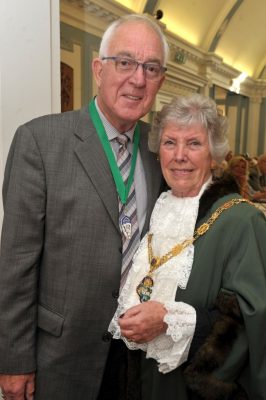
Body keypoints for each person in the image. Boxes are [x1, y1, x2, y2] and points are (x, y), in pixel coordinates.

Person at [0, 14, 168, 400]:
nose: (137, 79)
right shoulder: (40, 143)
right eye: (124, 62)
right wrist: (13, 360)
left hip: (137, 358)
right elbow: (16, 264)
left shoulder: (160, 150)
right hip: (59, 358)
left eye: (151, 68)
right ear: (98, 68)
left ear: (161, 80)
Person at [109, 94, 266, 399]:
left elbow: (255, 323)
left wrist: (170, 321)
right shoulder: (154, 207)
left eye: (194, 144)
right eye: (170, 143)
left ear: (215, 154)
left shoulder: (242, 221)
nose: (179, 155)